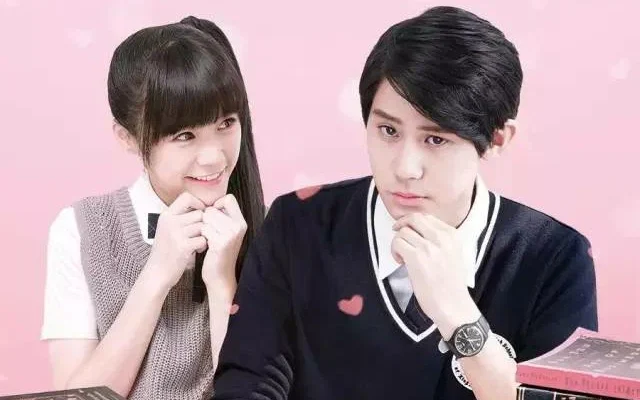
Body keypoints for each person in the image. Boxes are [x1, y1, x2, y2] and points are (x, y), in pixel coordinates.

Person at [212, 6, 597, 400]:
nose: (405, 168)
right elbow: (245, 384)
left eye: (436, 139)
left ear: (497, 139)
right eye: (388, 130)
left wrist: (458, 314)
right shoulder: (298, 224)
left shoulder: (554, 259)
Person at [41, 16, 265, 400]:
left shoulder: (274, 230)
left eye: (226, 123)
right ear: (127, 137)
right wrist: (157, 274)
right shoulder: (82, 230)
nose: (214, 157)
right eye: (185, 135)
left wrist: (221, 283)